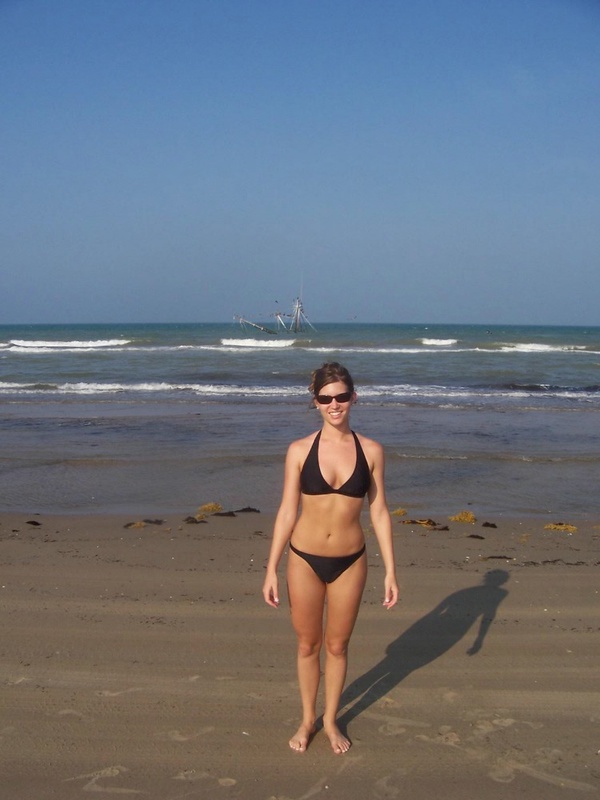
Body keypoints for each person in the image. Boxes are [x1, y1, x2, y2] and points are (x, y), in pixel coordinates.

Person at [262, 362, 399, 754]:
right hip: (304, 559)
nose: (334, 405)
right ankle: (308, 720)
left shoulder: (371, 451)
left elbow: (379, 511)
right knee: (308, 645)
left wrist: (391, 571)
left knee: (337, 647)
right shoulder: (299, 450)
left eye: (341, 396)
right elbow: (287, 511)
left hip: (350, 561)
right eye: (325, 399)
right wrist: (271, 568)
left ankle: (331, 719)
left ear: (354, 397)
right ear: (316, 402)